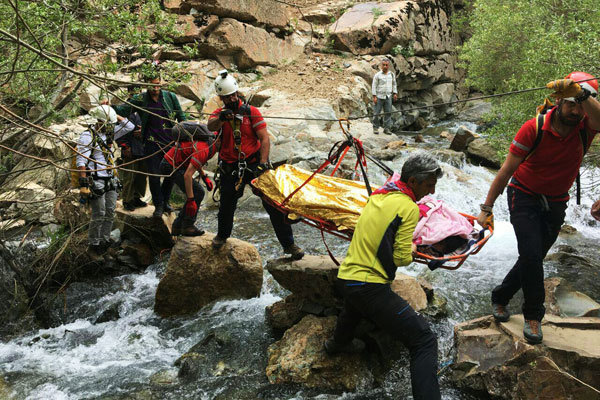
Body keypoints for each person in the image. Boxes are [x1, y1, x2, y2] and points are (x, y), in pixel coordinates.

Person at [477, 72, 600, 344]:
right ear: (558, 102)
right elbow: (506, 171)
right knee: (531, 255)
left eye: (581, 105)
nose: (576, 111)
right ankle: (534, 315)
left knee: (533, 258)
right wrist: (487, 206)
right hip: (523, 195)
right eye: (570, 103)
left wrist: (581, 94)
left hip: (556, 201)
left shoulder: (586, 127)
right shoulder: (533, 128)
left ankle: (500, 296)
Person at [325, 153, 443, 400]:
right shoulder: (408, 208)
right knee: (424, 340)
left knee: (355, 306)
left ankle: (337, 344)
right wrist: (412, 249)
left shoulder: (379, 196)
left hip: (347, 278)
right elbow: (401, 258)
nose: (431, 190)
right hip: (369, 286)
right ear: (412, 181)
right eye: (429, 184)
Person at [206, 70, 304, 259]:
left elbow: (264, 139)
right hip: (230, 166)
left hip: (252, 163)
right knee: (227, 205)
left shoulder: (251, 112)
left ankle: (289, 244)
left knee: (272, 204)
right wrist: (222, 119)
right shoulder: (219, 114)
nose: (232, 99)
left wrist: (262, 163)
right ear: (221, 98)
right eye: (228, 97)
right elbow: (211, 126)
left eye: (234, 95)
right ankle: (222, 235)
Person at [114, 73, 187, 218]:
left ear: (161, 82)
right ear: (146, 86)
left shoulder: (170, 97)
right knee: (153, 176)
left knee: (170, 175)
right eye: (151, 85)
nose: (155, 88)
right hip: (151, 144)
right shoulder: (141, 99)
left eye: (157, 84)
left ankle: (165, 201)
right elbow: (123, 110)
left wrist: (184, 135)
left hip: (170, 143)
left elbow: (181, 117)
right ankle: (158, 205)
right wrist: (108, 107)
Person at [77, 105, 135, 260]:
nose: (110, 127)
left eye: (111, 124)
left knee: (110, 212)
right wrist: (83, 184)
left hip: (111, 178)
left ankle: (104, 244)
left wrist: (112, 113)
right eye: (107, 123)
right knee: (99, 213)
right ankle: (93, 246)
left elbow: (129, 126)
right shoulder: (87, 136)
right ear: (98, 121)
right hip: (96, 179)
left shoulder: (109, 134)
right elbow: (81, 160)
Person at [159, 121, 217, 236]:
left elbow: (195, 159)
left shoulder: (210, 145)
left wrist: (204, 176)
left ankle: (177, 226)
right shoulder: (205, 148)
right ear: (219, 140)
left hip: (173, 163)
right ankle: (187, 226)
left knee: (196, 192)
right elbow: (187, 175)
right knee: (198, 192)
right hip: (170, 165)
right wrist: (190, 200)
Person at [116, 111, 148, 211]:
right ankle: (127, 200)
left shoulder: (144, 111)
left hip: (143, 149)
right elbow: (118, 132)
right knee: (129, 176)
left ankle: (136, 197)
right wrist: (125, 146)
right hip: (130, 149)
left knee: (141, 176)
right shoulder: (124, 111)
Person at [371, 58, 397, 135]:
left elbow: (394, 84)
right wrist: (374, 96)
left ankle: (387, 128)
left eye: (386, 65)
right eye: (383, 65)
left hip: (388, 96)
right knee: (376, 113)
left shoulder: (391, 74)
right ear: (381, 65)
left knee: (388, 113)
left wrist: (395, 93)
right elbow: (374, 86)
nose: (385, 66)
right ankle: (375, 127)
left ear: (388, 66)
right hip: (379, 96)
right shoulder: (377, 75)